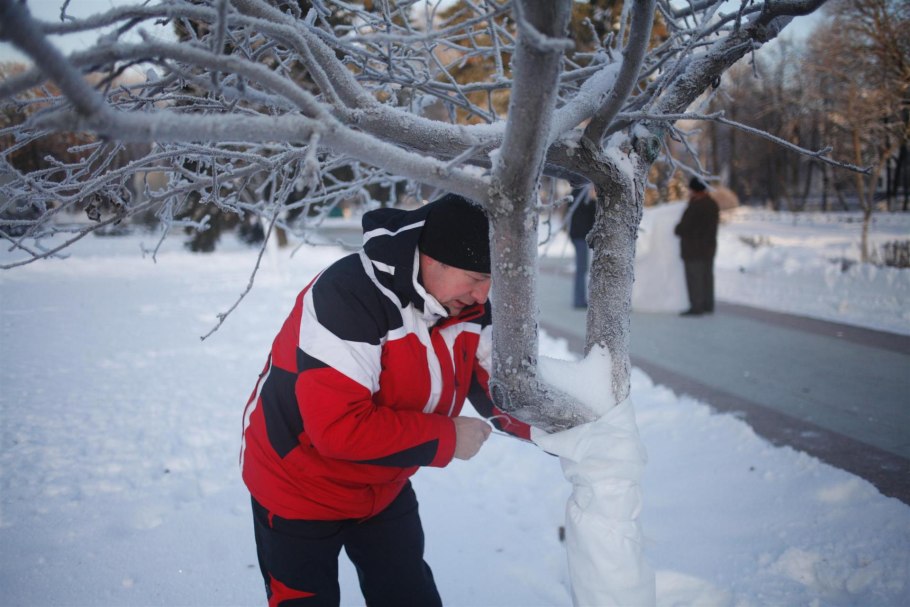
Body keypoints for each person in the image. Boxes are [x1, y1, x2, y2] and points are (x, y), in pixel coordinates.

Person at [240, 193, 532, 607]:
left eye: (491, 281)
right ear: (432, 260)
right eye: (473, 278)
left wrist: (566, 433)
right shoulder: (347, 295)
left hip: (382, 486)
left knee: (408, 595)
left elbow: (499, 391)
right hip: (297, 485)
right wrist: (448, 437)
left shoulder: (466, 309)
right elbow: (338, 430)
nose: (483, 296)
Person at [674, 176, 720, 316]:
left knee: (695, 278)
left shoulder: (696, 206)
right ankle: (708, 305)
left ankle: (696, 307)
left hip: (693, 248)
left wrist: (678, 229)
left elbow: (684, 227)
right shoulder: (712, 204)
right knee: (707, 277)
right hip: (709, 247)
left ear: (695, 190)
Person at [568, 183, 596, 309]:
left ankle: (579, 298)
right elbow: (591, 214)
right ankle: (579, 300)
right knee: (582, 269)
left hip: (577, 235)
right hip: (581, 237)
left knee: (582, 269)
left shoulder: (574, 195)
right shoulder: (584, 198)